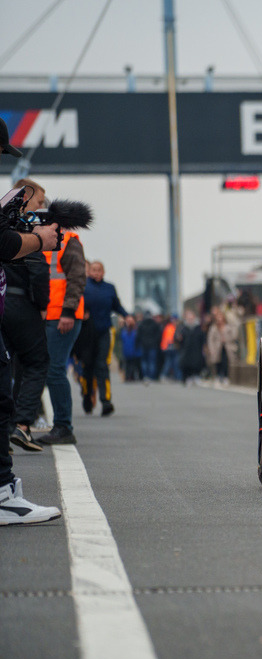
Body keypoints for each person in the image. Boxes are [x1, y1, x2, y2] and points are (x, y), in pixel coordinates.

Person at [0, 120, 63, 524]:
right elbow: (3, 246)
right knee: (9, 384)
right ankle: (4, 493)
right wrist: (40, 239)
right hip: (23, 309)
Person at [35, 184, 88, 447]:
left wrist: (68, 312)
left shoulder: (69, 242)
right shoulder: (43, 241)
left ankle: (64, 427)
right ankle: (55, 423)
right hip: (49, 316)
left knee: (55, 369)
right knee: (50, 369)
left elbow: (77, 279)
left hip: (63, 317)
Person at [3, 179, 50, 452]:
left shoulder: (2, 221)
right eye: (40, 201)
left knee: (5, 366)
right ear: (25, 198)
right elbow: (38, 270)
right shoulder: (26, 226)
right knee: (36, 362)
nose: (42, 207)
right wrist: (43, 306)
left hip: (1, 301)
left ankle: (5, 431)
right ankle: (21, 426)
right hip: (20, 302)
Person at [80, 260, 128, 416]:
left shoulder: (109, 288)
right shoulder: (83, 286)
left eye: (99, 270)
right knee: (87, 367)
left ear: (104, 272)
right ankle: (87, 396)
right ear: (89, 271)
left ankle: (106, 401)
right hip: (86, 333)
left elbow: (117, 306)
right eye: (93, 269)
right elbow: (75, 303)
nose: (96, 272)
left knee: (102, 365)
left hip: (104, 331)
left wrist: (127, 316)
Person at [205, 307, 237, 385]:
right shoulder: (214, 328)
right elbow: (210, 339)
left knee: (226, 362)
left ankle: (226, 377)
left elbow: (234, 336)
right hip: (217, 348)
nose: (219, 318)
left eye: (221, 316)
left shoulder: (228, 327)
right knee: (217, 362)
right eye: (218, 317)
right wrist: (211, 348)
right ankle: (218, 377)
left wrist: (227, 339)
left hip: (227, 347)